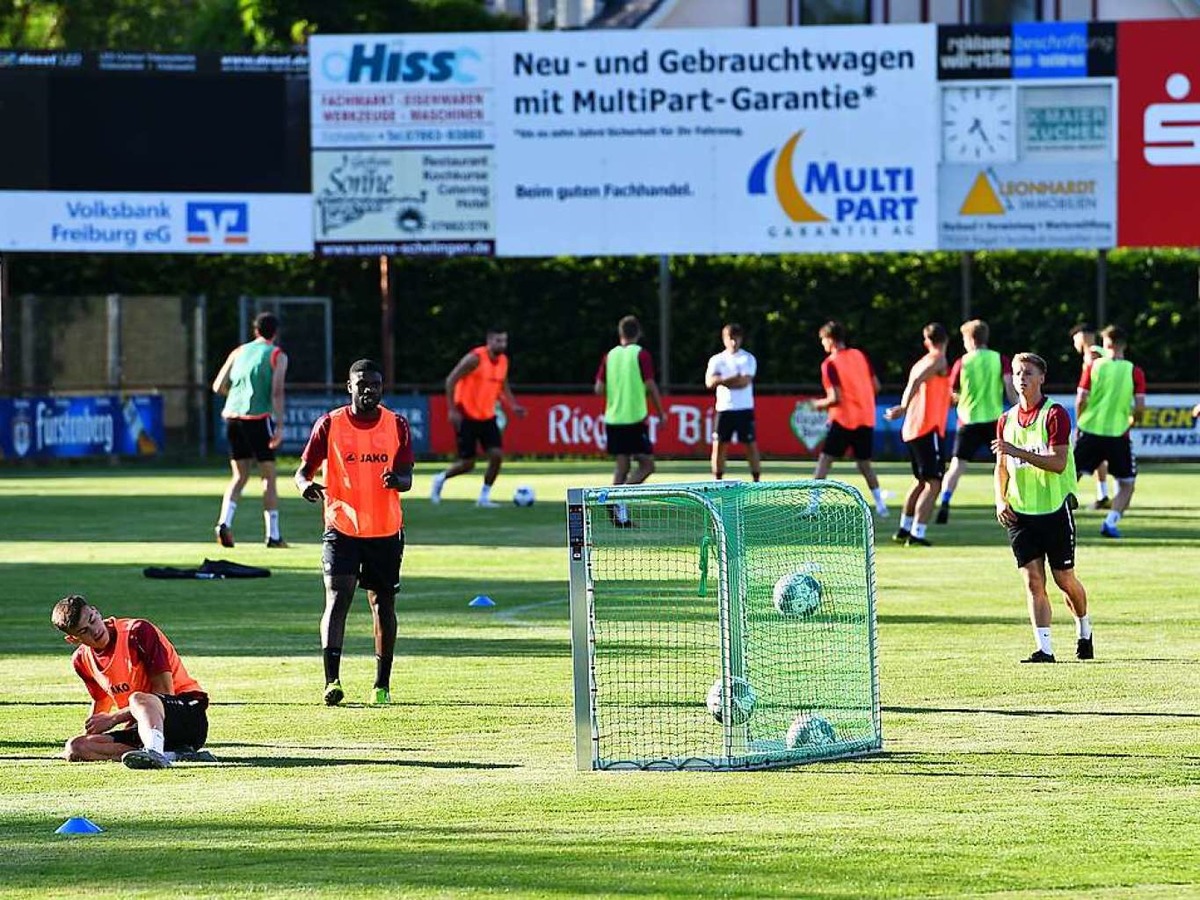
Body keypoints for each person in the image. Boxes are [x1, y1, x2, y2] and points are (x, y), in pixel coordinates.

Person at [295, 359, 414, 706]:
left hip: (385, 530)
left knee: (383, 605)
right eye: (362, 384)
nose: (369, 390)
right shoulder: (329, 425)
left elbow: (407, 476)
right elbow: (303, 471)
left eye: (375, 385)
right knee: (337, 598)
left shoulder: (397, 425)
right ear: (350, 387)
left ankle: (382, 685)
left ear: (382, 388)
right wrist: (304, 485)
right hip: (341, 527)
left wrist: (398, 481)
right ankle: (332, 681)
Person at [992, 353, 1093, 663]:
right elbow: (1001, 467)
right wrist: (1000, 498)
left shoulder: (1055, 414)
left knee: (1065, 581)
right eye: (1016, 373)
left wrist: (1016, 450)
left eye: (1028, 373)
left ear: (1041, 378)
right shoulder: (1005, 420)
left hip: (1053, 510)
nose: (1021, 378)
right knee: (1033, 580)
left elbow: (1059, 462)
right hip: (1020, 512)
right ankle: (1044, 649)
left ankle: (1084, 629)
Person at [51, 594, 213, 770]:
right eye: (83, 631)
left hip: (187, 714)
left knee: (137, 698)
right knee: (76, 746)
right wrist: (88, 737)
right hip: (144, 724)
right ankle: (174, 755)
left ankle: (155, 752)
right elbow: (101, 702)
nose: (94, 630)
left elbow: (164, 692)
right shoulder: (81, 659)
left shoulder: (138, 631)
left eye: (92, 620)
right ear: (73, 640)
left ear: (96, 611)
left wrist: (114, 718)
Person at [211, 311, 289, 548]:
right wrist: (279, 425)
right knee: (268, 477)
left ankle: (224, 522)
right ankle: (273, 535)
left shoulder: (239, 351)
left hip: (232, 417)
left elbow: (217, 386)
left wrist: (236, 396)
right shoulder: (277, 355)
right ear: (275, 332)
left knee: (239, 476)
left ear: (255, 330)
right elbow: (276, 391)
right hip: (257, 418)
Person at [430, 328, 525, 508]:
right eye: (498, 341)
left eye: (504, 341)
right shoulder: (475, 359)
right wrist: (452, 409)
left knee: (496, 455)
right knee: (467, 464)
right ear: (489, 341)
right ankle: (440, 479)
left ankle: (484, 497)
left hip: (488, 416)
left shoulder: (503, 361)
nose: (502, 345)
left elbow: (503, 387)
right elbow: (451, 380)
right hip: (466, 415)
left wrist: (513, 406)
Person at [936, 319, 1015, 523]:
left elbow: (952, 393)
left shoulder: (962, 362)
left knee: (956, 466)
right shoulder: (999, 359)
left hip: (968, 420)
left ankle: (945, 501)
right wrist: (1017, 411)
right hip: (994, 420)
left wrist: (958, 399)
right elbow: (1009, 387)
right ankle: (1011, 503)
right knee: (1004, 464)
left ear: (971, 339)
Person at [811, 321, 889, 517]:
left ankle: (812, 505)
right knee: (864, 464)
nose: (822, 345)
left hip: (844, 419)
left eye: (823, 340)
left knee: (825, 460)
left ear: (829, 339)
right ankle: (881, 506)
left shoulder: (830, 364)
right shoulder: (859, 355)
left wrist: (818, 405)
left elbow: (835, 398)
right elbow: (876, 386)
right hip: (865, 417)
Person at [595, 315, 666, 527]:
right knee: (647, 465)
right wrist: (661, 412)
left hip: (614, 417)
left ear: (620, 334)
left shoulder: (610, 356)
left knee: (622, 465)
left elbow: (598, 389)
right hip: (634, 417)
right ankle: (617, 497)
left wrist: (616, 392)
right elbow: (651, 384)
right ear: (638, 333)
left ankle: (620, 517)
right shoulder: (640, 354)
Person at [1075, 325, 1146, 538]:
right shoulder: (1134, 371)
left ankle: (1053, 517)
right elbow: (1141, 405)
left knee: (1068, 477)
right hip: (1118, 434)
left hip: (1090, 430)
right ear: (1124, 345)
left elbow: (1081, 399)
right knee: (1127, 484)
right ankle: (1110, 522)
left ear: (1105, 344)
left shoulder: (1093, 367)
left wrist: (1080, 422)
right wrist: (1133, 421)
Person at [885, 323, 951, 546]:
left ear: (926, 341)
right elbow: (916, 382)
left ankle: (904, 528)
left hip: (914, 428)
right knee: (934, 483)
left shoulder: (921, 361)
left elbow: (924, 386)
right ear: (946, 340)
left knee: (921, 481)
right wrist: (903, 407)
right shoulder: (938, 359)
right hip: (927, 428)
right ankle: (917, 533)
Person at [704, 323, 761, 482]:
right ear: (724, 339)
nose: (734, 342)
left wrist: (721, 380)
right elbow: (709, 382)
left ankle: (756, 479)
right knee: (719, 445)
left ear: (741, 339)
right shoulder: (717, 359)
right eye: (730, 339)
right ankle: (717, 479)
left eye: (737, 338)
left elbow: (745, 381)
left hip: (744, 408)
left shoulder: (747, 358)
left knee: (750, 444)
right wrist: (733, 378)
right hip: (724, 408)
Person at [1070, 323, 1112, 509]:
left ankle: (1065, 494)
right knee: (1099, 455)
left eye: (1075, 339)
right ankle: (1103, 495)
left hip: (1093, 414)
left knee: (1076, 458)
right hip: (1104, 413)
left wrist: (1082, 415)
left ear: (1083, 336)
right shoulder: (1102, 353)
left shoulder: (1092, 355)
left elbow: (1088, 390)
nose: (1074, 344)